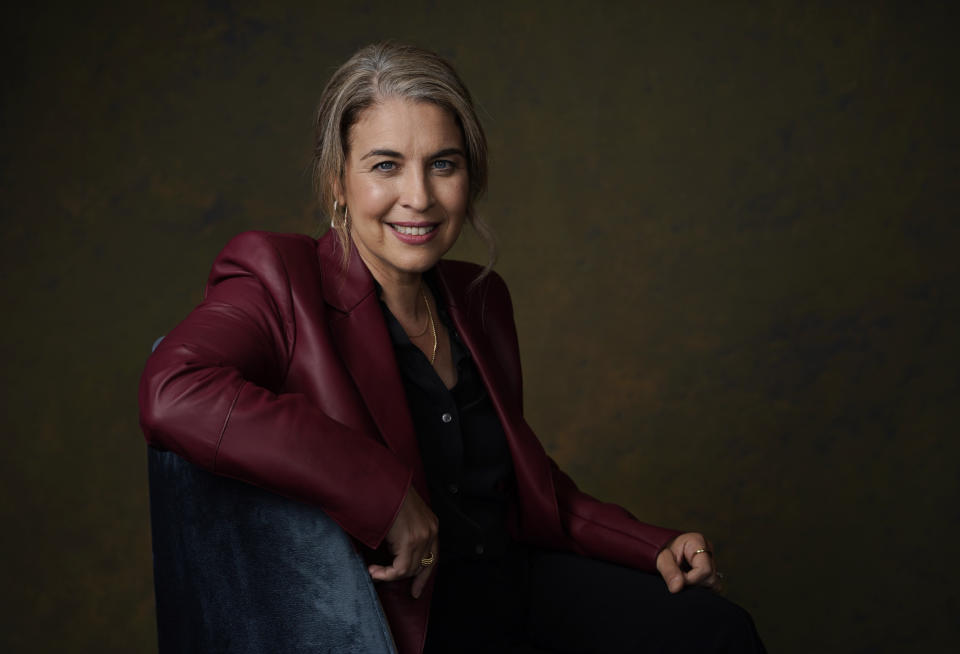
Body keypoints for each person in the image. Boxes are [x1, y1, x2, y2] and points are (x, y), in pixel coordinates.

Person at [140, 41, 765, 653]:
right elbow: (175, 391)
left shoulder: (480, 299)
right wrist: (382, 495)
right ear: (338, 182)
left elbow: (523, 488)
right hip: (414, 616)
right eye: (385, 165)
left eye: (443, 164)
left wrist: (650, 545)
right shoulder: (279, 277)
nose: (420, 196)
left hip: (516, 582)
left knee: (716, 632)